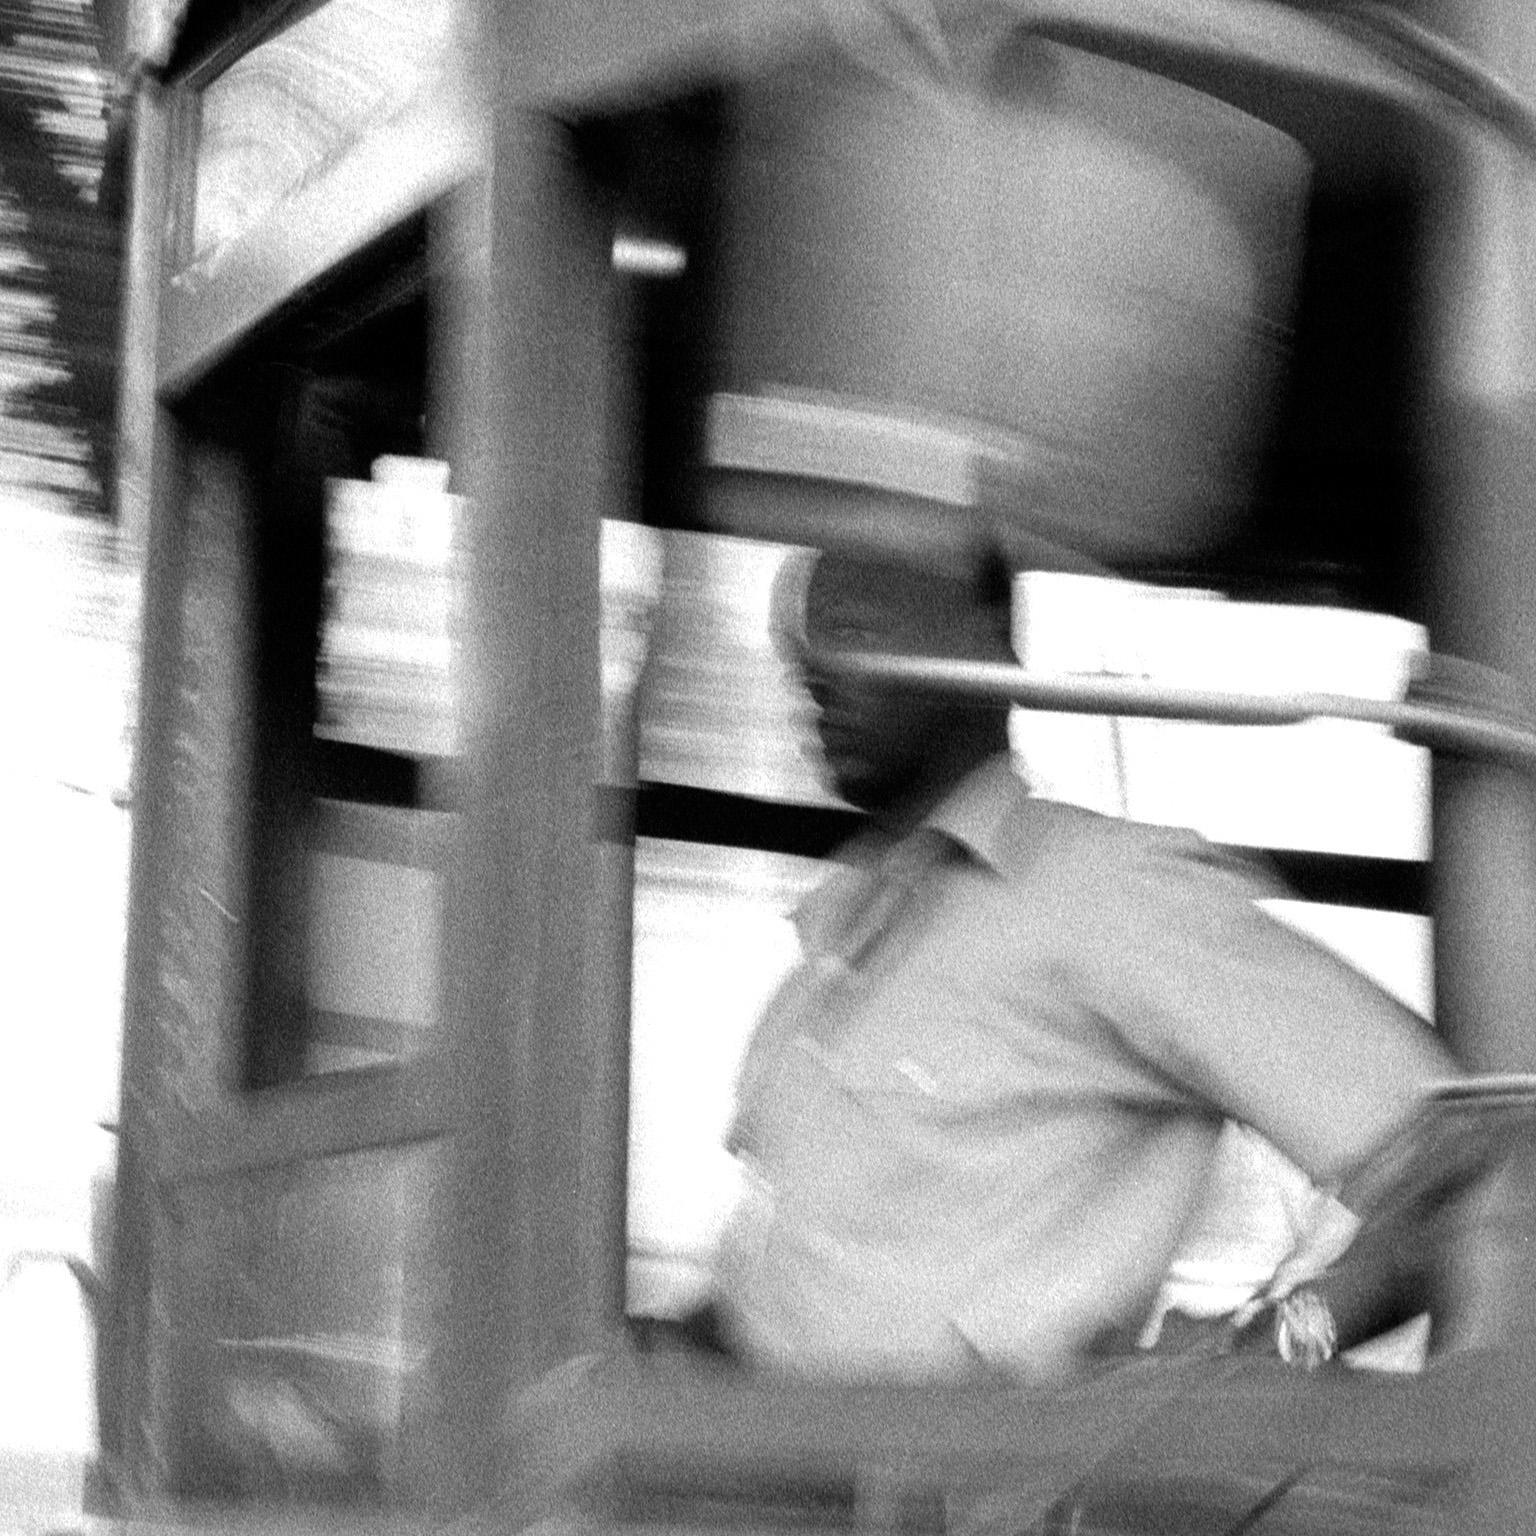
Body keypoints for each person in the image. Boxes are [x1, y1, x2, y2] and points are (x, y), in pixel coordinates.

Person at [707, 538, 1458, 1383]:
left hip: (956, 1500)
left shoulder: (1101, 893)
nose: (809, 664)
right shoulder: (840, 935)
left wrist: (1254, 1361)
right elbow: (796, 1282)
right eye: (800, 643)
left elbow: (1451, 1158)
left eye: (853, 619)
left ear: (986, 640)